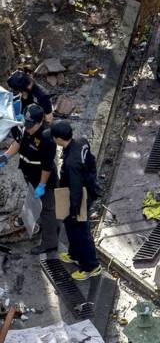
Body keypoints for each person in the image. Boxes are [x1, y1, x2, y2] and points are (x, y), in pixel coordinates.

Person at [0, 104, 58, 254]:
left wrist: (42, 185)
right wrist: (6, 156)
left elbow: (47, 166)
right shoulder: (25, 128)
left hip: (44, 180)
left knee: (48, 210)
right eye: (27, 124)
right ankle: (29, 220)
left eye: (31, 125)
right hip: (29, 175)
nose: (28, 128)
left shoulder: (47, 138)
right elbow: (18, 142)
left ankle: (49, 243)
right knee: (32, 199)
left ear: (40, 122)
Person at [51, 121, 102, 280]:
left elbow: (76, 189)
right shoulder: (81, 141)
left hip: (79, 198)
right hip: (86, 189)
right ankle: (74, 254)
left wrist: (74, 211)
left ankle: (91, 266)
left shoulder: (71, 163)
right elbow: (91, 162)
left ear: (59, 139)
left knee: (81, 232)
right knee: (72, 229)